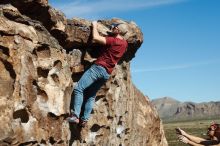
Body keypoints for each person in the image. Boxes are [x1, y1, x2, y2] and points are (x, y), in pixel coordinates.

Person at [67, 21, 128, 127]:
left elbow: (95, 38)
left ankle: (75, 116)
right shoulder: (125, 44)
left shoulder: (113, 41)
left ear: (118, 30)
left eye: (114, 27)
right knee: (91, 95)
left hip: (98, 68)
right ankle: (84, 120)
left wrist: (94, 25)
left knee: (79, 89)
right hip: (107, 73)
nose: (112, 27)